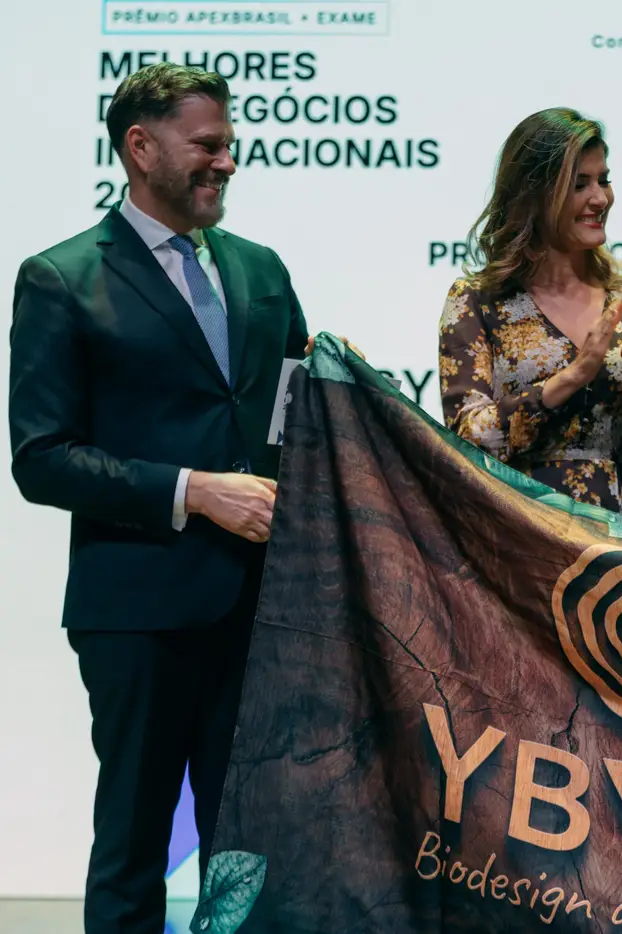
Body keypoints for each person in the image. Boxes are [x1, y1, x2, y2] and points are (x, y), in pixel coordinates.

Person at [8, 63, 319, 933]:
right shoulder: (61, 277)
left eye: (230, 143)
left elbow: (295, 414)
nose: (227, 162)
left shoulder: (261, 269)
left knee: (251, 854)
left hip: (262, 613)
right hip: (136, 611)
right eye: (207, 145)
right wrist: (194, 492)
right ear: (140, 147)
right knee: (134, 846)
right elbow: (42, 459)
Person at [438, 108, 622, 516]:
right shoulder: (477, 300)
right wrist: (571, 378)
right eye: (579, 184)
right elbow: (467, 440)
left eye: (604, 180)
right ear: (534, 195)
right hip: (519, 530)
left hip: (620, 535)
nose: (600, 198)